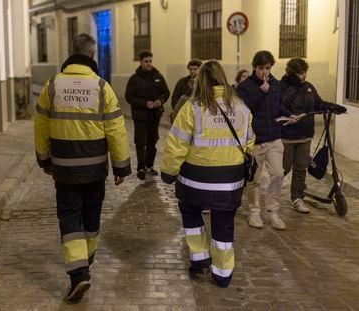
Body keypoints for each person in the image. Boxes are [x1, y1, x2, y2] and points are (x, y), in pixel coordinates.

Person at [34, 33, 131, 301]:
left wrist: (43, 158)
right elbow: (115, 129)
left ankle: (79, 273)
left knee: (69, 216)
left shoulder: (52, 85)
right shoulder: (102, 87)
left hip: (64, 168)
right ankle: (84, 265)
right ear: (91, 55)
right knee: (91, 217)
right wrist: (121, 166)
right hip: (94, 168)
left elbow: (41, 125)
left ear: (71, 52)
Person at [160, 60, 255, 288]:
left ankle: (199, 256)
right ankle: (223, 274)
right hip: (230, 181)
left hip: (196, 180)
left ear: (200, 80)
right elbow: (249, 141)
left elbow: (177, 144)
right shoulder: (241, 107)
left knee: (190, 213)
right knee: (224, 224)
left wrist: (169, 172)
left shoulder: (192, 108)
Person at [237, 50, 297, 231]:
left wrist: (288, 114)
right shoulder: (244, 87)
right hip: (254, 140)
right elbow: (245, 109)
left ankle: (273, 211)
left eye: (268, 68)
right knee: (254, 180)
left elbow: (277, 105)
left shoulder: (275, 84)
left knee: (279, 174)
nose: (265, 72)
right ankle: (254, 212)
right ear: (254, 67)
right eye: (262, 68)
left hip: (274, 137)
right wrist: (260, 92)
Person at [281, 58, 346, 213]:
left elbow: (318, 103)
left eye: (305, 72)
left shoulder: (309, 87)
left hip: (305, 135)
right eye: (300, 73)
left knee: (301, 168)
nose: (304, 76)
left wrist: (332, 107)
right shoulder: (282, 86)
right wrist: (293, 89)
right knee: (283, 168)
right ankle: (272, 198)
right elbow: (280, 105)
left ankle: (297, 198)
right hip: (286, 137)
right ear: (291, 73)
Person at [125, 50, 170, 180]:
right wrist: (145, 103)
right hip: (140, 117)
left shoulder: (158, 76)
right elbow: (129, 97)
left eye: (150, 61)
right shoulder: (135, 79)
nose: (149, 64)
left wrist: (160, 101)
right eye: (146, 61)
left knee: (152, 141)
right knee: (140, 142)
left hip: (154, 116)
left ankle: (149, 166)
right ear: (141, 62)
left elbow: (166, 92)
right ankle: (140, 167)